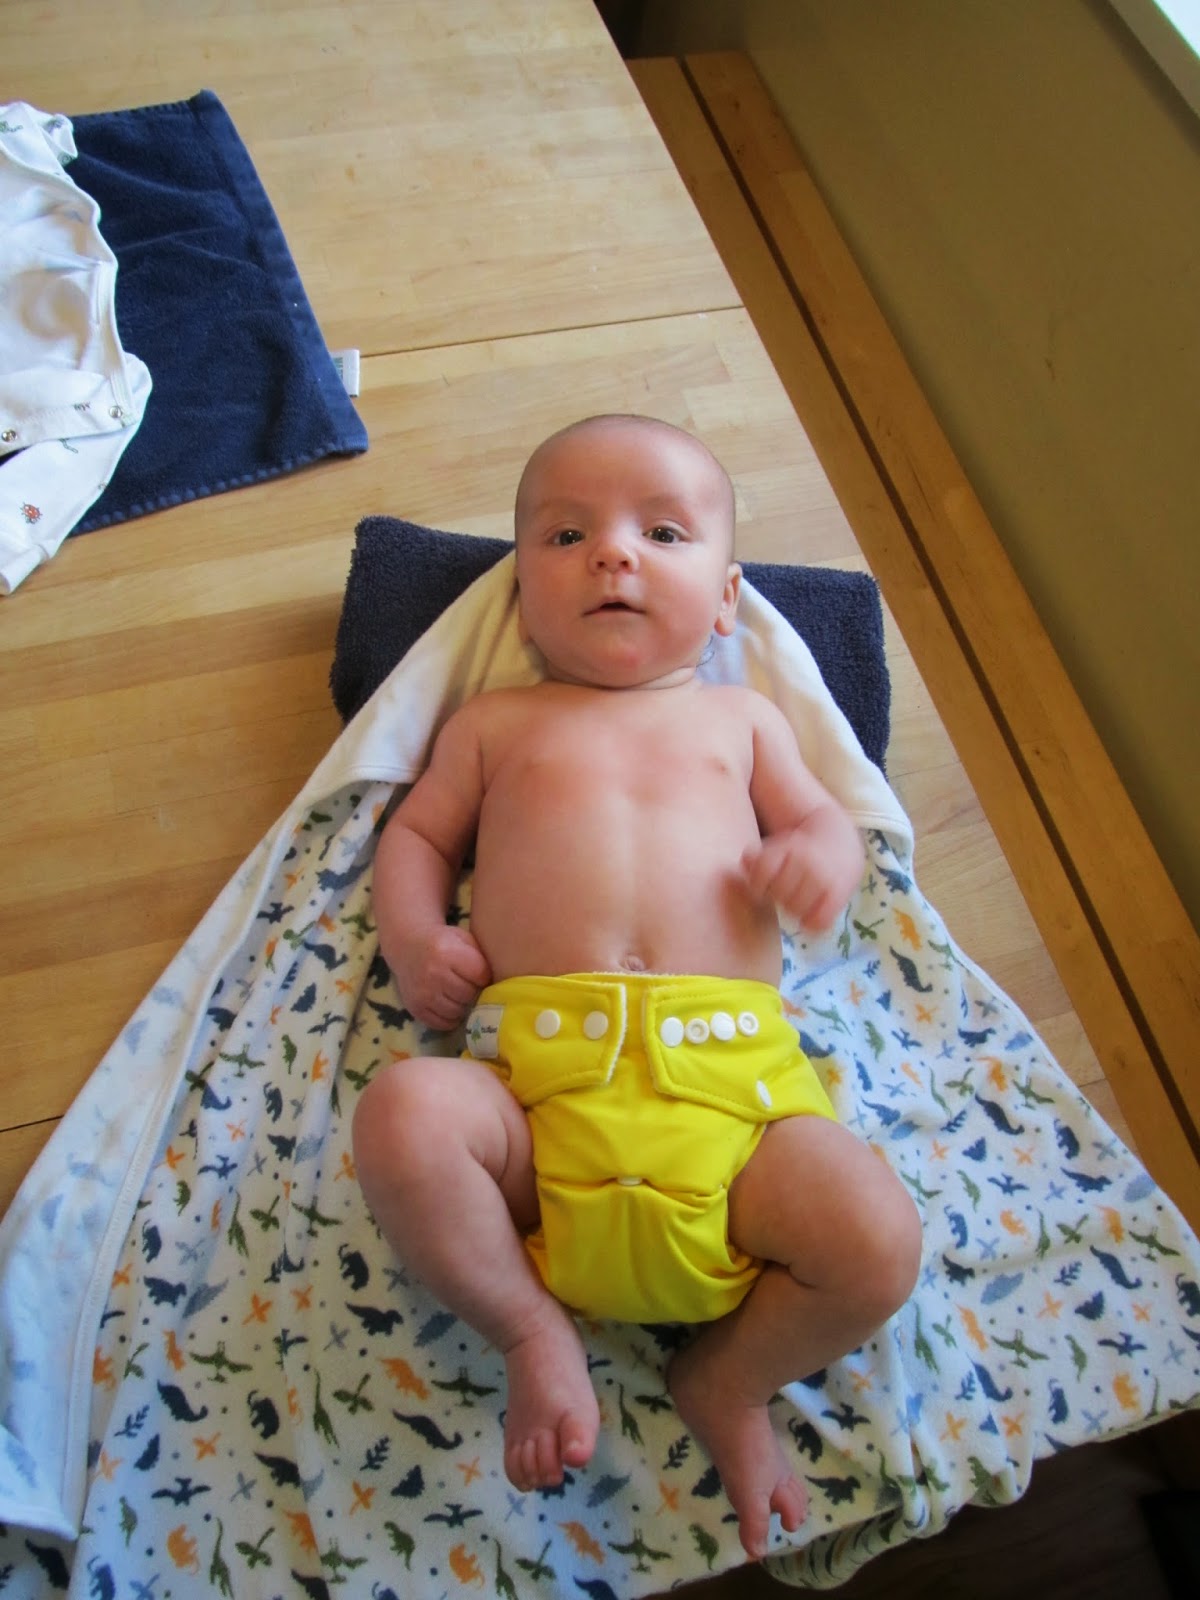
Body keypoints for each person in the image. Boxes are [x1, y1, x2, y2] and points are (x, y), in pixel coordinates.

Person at [352, 413, 922, 1560]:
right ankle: (528, 1327)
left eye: (662, 533)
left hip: (736, 1113)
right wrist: (414, 937)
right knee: (403, 1118)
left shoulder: (742, 719)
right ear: (520, 598)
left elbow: (825, 818)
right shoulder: (495, 723)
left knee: (878, 1239)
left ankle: (733, 1376)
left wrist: (820, 856)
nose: (613, 552)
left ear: (726, 600)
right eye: (566, 536)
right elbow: (415, 837)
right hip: (536, 1107)